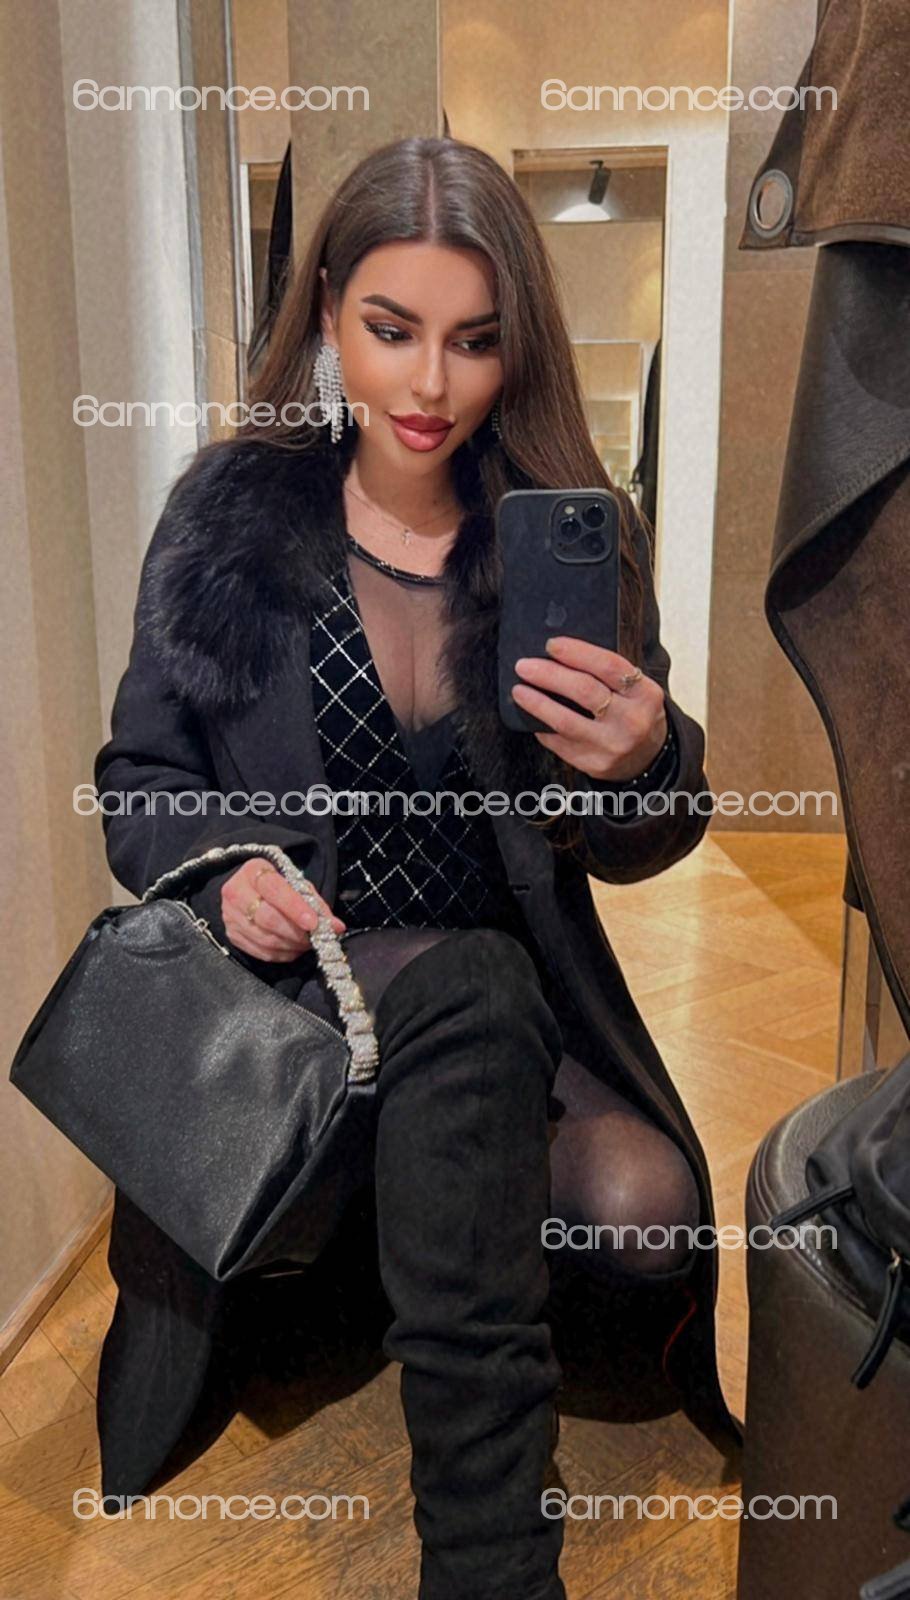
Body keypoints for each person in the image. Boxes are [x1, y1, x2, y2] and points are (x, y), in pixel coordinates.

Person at [93, 136, 741, 1600]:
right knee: (470, 988)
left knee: (641, 1212)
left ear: (518, 346)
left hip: (499, 1012)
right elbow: (139, 783)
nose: (430, 384)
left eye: (475, 340)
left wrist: (646, 761)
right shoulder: (231, 517)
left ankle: (397, 1229)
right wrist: (220, 880)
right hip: (292, 1007)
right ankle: (492, 1565)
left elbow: (644, 847)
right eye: (392, 329)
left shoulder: (569, 541)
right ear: (328, 310)